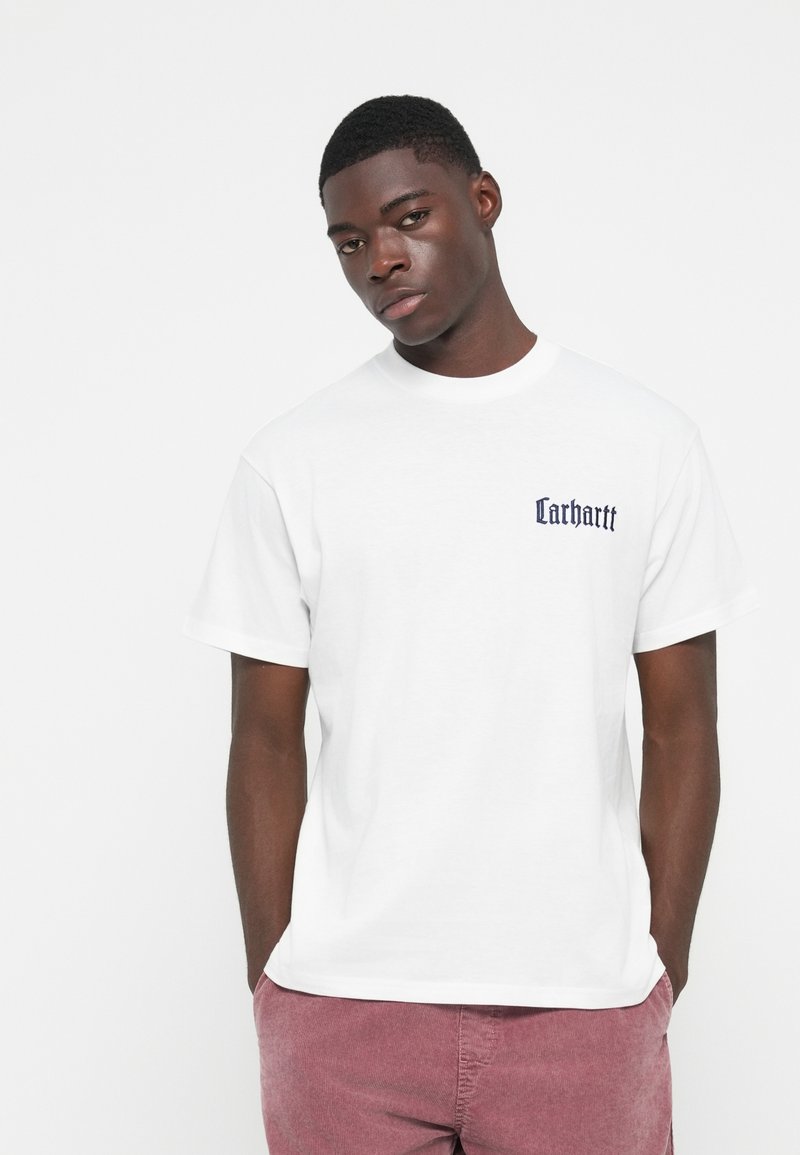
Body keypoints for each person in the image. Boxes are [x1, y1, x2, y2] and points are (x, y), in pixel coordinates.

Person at [183, 94, 759, 1155]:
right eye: (348, 242)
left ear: (482, 199)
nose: (380, 261)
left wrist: (657, 966)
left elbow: (682, 726)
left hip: (583, 1012)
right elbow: (262, 739)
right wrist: (274, 984)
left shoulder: (641, 443)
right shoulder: (292, 461)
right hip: (343, 1013)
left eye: (409, 218)